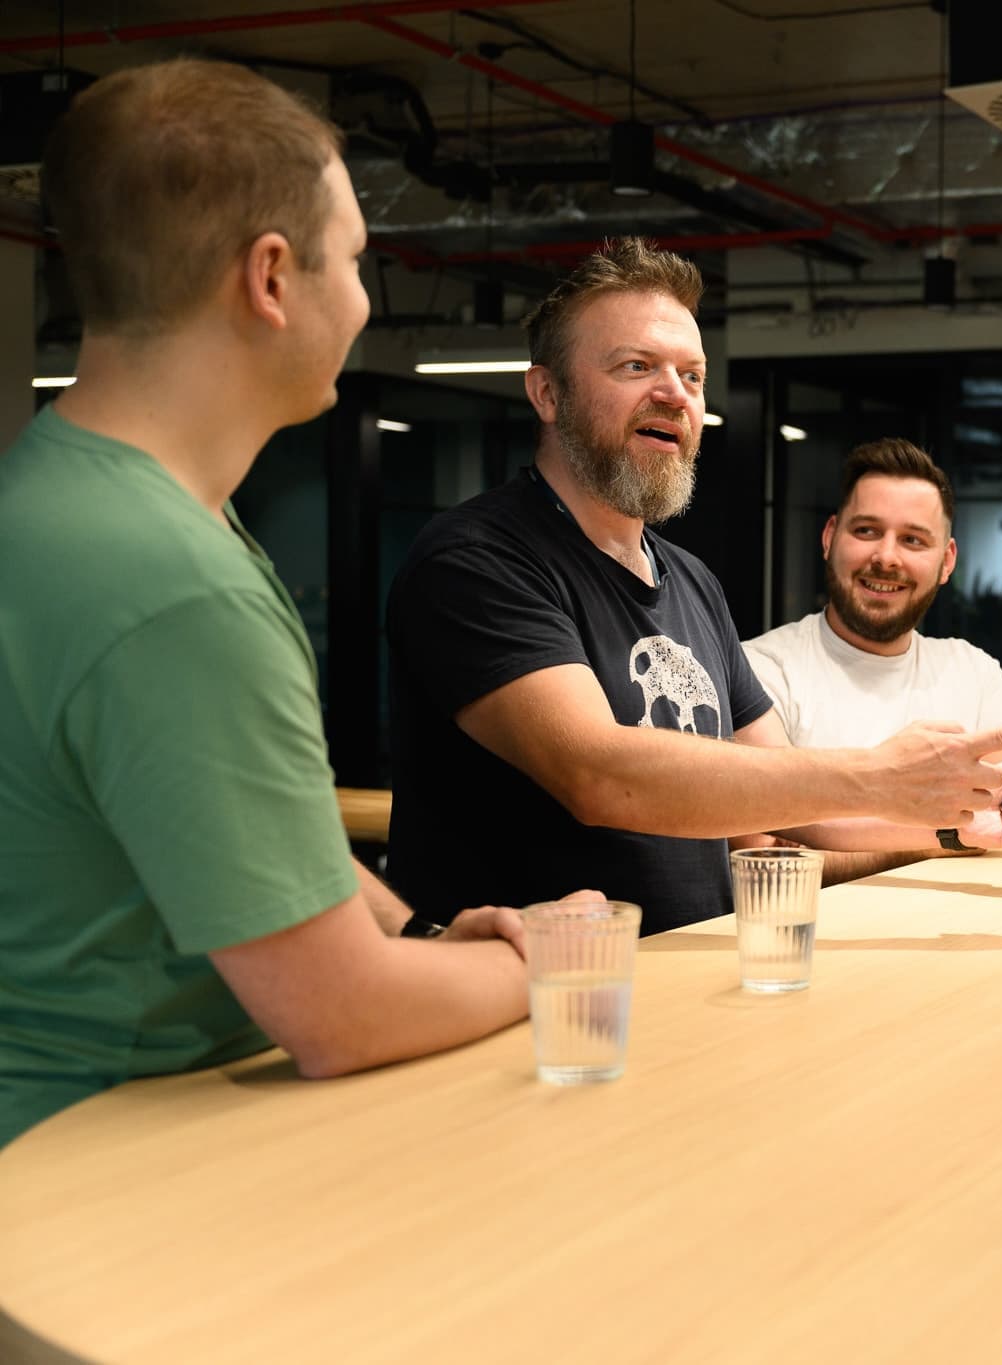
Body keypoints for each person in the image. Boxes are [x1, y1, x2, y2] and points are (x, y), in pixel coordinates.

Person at [0, 61, 536, 1148]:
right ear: (272, 278)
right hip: (101, 1172)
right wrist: (536, 969)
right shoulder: (173, 585)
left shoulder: (64, 494)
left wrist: (421, 930)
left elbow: (235, 833)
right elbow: (342, 1014)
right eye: (353, 262)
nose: (365, 301)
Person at [384, 240, 1002, 937]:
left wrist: (957, 826)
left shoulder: (689, 579)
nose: (673, 393)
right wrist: (878, 772)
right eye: (636, 366)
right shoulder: (479, 559)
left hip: (692, 977)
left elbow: (787, 794)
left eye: (692, 374)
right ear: (547, 392)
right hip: (536, 1000)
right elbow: (599, 773)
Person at [743, 439, 1002, 881]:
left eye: (913, 539)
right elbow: (765, 864)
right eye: (867, 531)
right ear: (829, 538)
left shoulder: (975, 672)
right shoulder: (759, 669)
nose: (886, 557)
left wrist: (827, 848)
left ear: (946, 561)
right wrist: (955, 836)